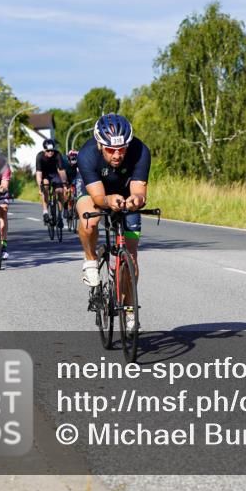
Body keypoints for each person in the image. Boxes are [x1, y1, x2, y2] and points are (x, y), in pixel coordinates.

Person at [76, 115, 151, 334]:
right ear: (100, 144)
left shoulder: (140, 151)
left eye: (122, 149)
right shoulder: (87, 155)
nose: (117, 154)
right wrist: (109, 201)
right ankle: (90, 260)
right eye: (110, 149)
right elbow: (100, 199)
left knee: (131, 258)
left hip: (125, 191)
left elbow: (139, 191)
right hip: (94, 189)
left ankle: (128, 308)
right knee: (90, 220)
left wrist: (135, 200)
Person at [35, 138, 68, 223]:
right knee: (45, 186)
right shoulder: (40, 156)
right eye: (48, 151)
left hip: (55, 174)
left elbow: (61, 171)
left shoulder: (57, 155)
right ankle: (45, 212)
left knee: (60, 191)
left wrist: (64, 184)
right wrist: (39, 188)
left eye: (52, 150)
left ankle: (60, 215)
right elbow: (39, 173)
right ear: (44, 150)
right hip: (45, 175)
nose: (50, 152)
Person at [63, 149, 80, 218]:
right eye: (72, 157)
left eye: (76, 157)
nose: (74, 158)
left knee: (75, 193)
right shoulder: (65, 164)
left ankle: (76, 209)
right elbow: (63, 174)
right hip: (66, 179)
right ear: (68, 158)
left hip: (74, 178)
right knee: (67, 194)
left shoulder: (78, 163)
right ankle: (65, 209)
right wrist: (65, 184)